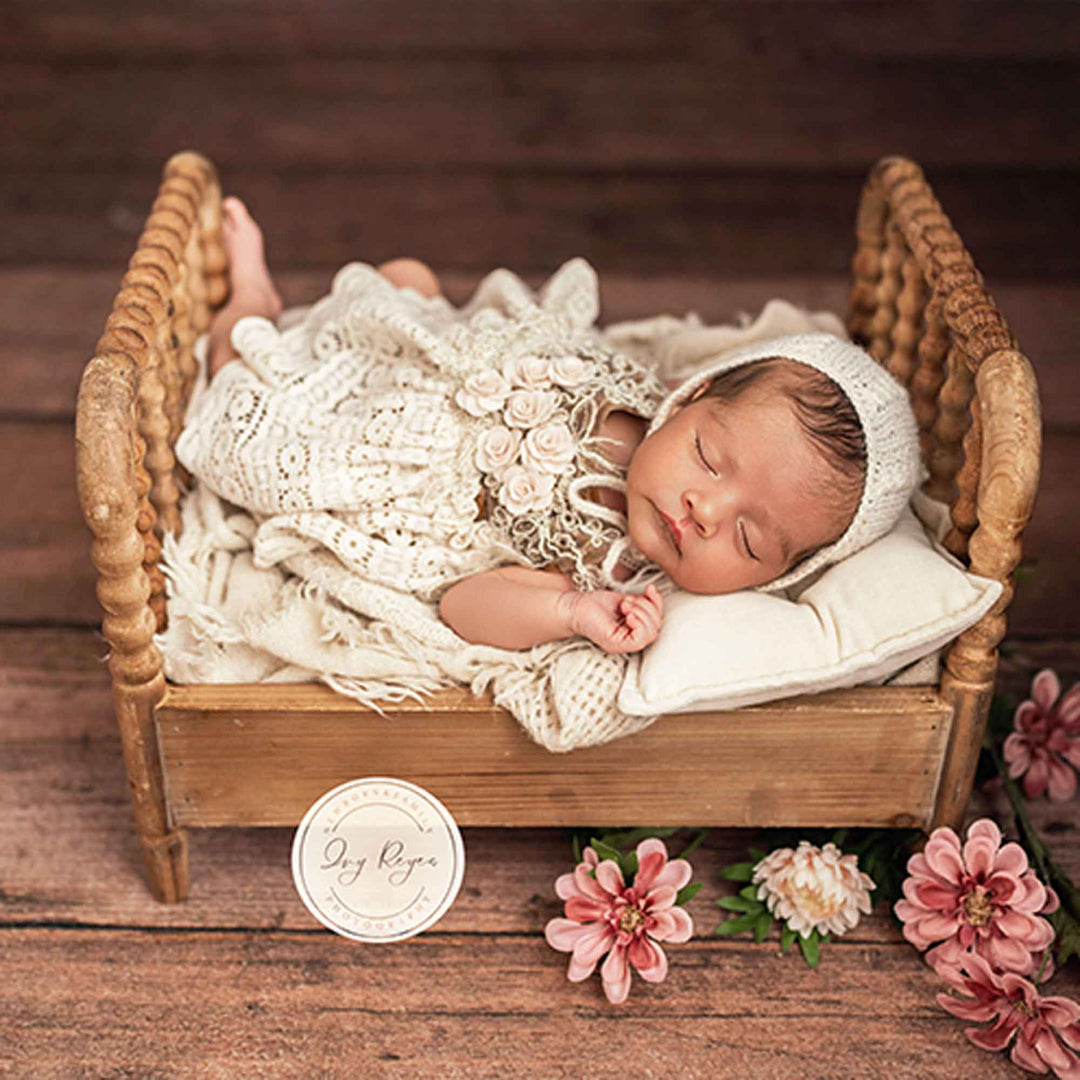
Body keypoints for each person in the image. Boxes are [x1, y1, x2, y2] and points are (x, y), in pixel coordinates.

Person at [203, 197, 922, 658]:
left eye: (749, 540)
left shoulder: (610, 565)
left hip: (381, 461)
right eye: (708, 456)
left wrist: (571, 611)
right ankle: (304, 325)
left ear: (783, 576)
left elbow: (463, 605)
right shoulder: (645, 393)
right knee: (405, 278)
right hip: (417, 365)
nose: (705, 510)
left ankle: (250, 300)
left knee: (240, 410)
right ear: (690, 397)